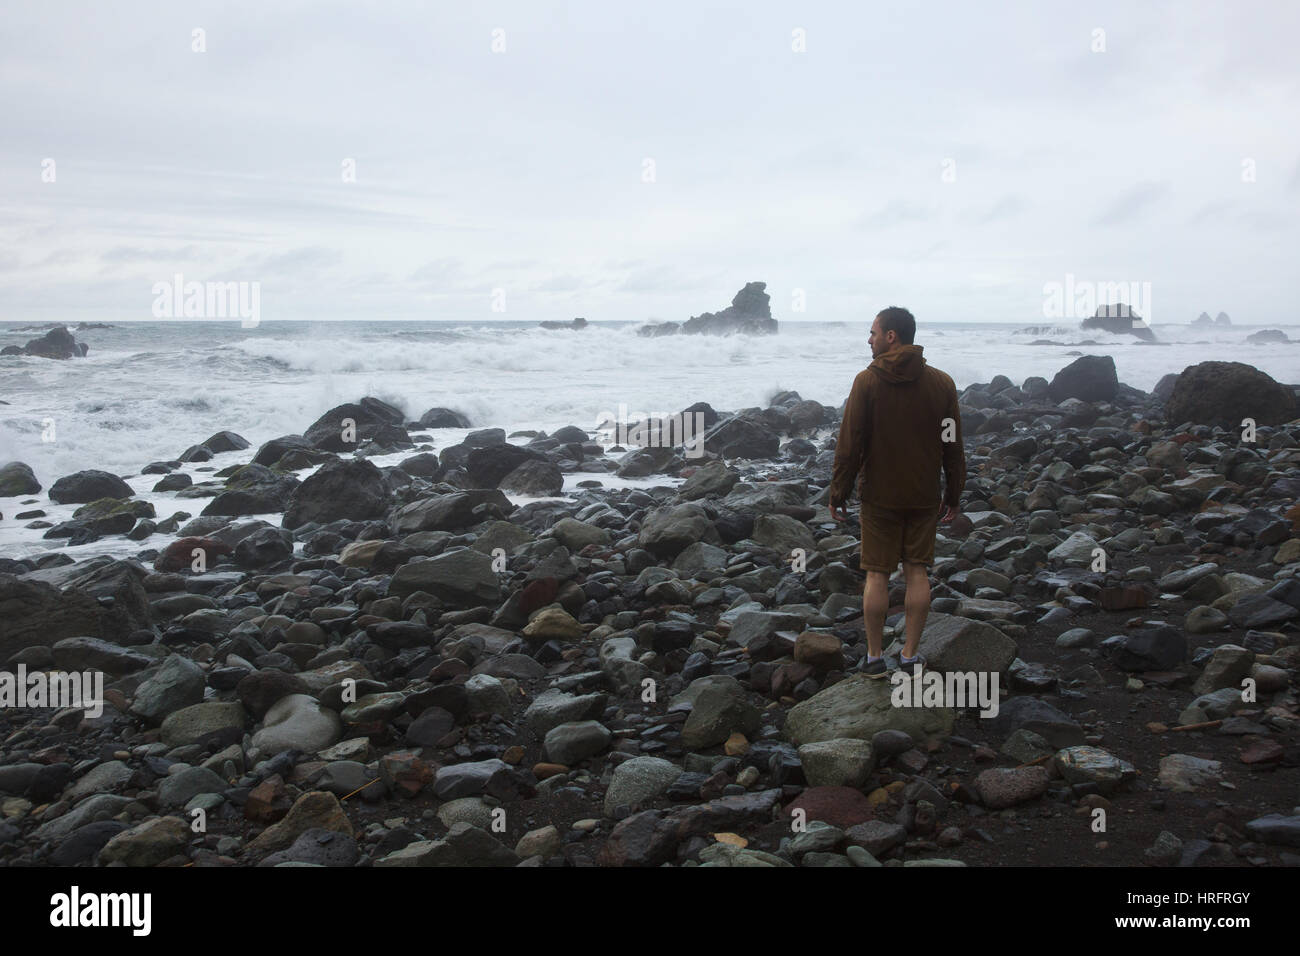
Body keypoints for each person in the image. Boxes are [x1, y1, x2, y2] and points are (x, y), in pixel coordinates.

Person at [828, 307, 966, 678]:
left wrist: (838, 492)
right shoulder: (942, 383)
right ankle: (908, 656)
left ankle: (874, 658)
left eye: (873, 332)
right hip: (923, 494)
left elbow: (850, 445)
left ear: (892, 336)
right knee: (917, 572)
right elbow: (952, 443)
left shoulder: (866, 382)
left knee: (877, 575)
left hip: (879, 496)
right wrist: (953, 492)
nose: (869, 339)